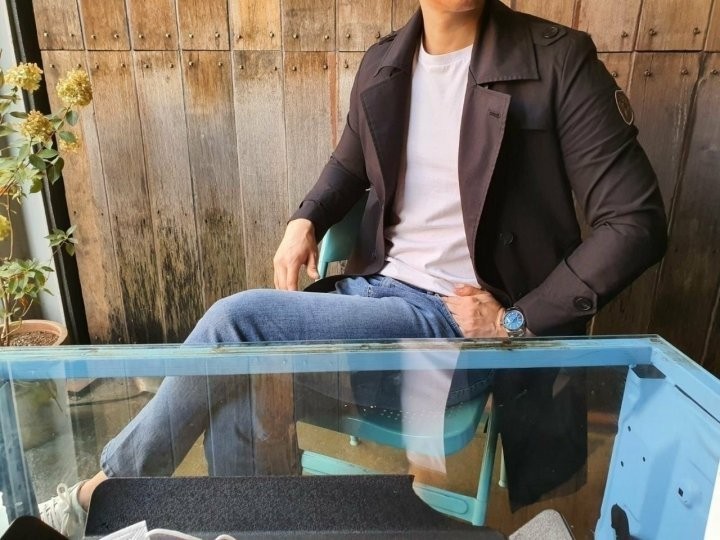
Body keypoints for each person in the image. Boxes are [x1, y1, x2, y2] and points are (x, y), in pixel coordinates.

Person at [39, 0, 667, 537]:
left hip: (453, 331)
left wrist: (517, 319)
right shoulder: (386, 61)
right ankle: (250, 528)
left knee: (238, 326)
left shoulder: (557, 61)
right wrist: (304, 220)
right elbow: (349, 163)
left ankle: (103, 492)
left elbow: (634, 223)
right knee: (241, 378)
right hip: (373, 296)